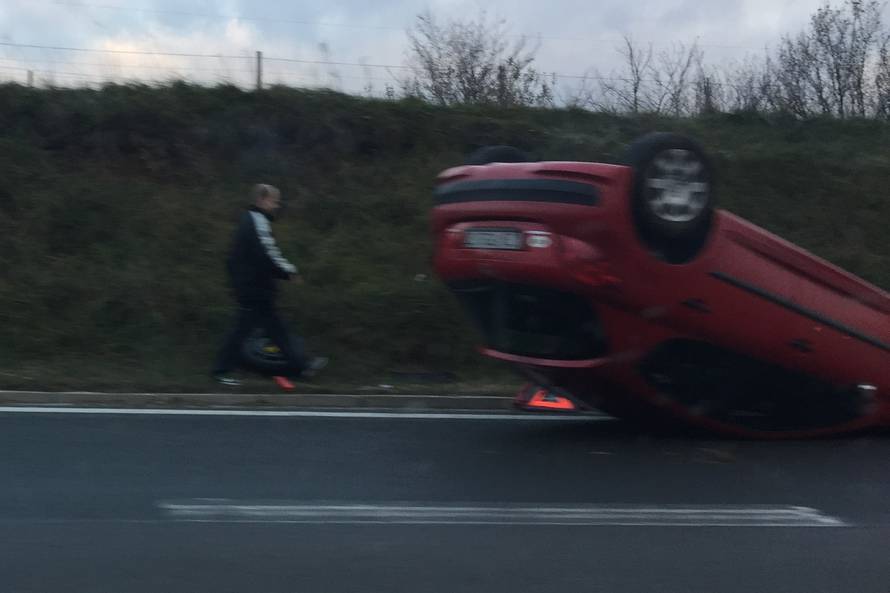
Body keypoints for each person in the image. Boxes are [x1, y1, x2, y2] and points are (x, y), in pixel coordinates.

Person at [212, 183, 327, 389]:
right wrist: (288, 272)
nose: (277, 206)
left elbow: (235, 259)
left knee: (276, 329)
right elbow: (267, 253)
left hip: (254, 287)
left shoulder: (250, 220)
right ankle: (220, 371)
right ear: (262, 200)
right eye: (274, 201)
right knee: (244, 330)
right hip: (254, 288)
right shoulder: (257, 221)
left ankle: (301, 367)